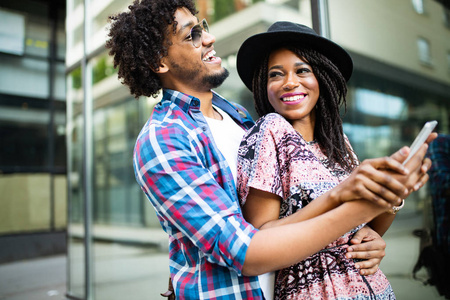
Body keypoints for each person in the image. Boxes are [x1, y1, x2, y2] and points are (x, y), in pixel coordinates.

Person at [106, 1, 432, 298]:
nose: (208, 38)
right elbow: (244, 251)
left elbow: (295, 215)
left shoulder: (241, 119)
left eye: (202, 27)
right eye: (192, 35)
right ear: (158, 61)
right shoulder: (163, 141)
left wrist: (367, 234)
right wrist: (361, 202)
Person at [235, 21, 437, 299]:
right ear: (264, 85)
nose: (289, 82)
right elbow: (259, 237)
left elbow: (362, 227)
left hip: (375, 289)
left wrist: (389, 202)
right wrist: (337, 196)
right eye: (276, 74)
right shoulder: (270, 130)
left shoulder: (338, 143)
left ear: (322, 77)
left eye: (302, 70)